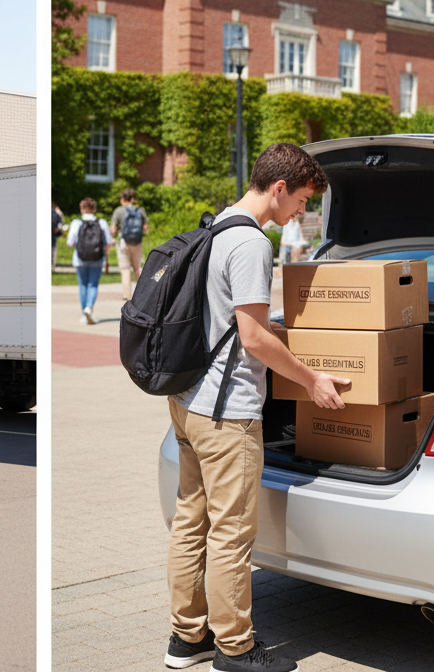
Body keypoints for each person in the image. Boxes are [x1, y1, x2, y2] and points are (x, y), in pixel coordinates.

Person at [164, 143, 350, 672]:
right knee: (231, 534)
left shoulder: (218, 224)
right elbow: (251, 337)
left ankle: (186, 639)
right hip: (228, 413)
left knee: (190, 523)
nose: (302, 214)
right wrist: (311, 378)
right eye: (301, 202)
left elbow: (225, 318)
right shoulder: (250, 242)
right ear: (278, 189)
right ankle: (235, 648)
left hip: (188, 403)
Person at [66, 198, 113, 325]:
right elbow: (109, 242)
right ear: (94, 209)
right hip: (97, 258)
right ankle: (89, 308)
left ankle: (83, 314)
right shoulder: (102, 222)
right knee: (93, 284)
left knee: (82, 285)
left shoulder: (76, 223)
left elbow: (70, 242)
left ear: (81, 209)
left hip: (79, 259)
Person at [110, 188, 149, 301]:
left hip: (123, 243)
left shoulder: (119, 211)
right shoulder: (140, 210)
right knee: (137, 268)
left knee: (125, 269)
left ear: (122, 199)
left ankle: (127, 295)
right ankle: (145, 292)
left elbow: (113, 229)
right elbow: (146, 228)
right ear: (132, 198)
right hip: (137, 242)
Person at [52, 200, 65, 271]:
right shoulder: (58, 212)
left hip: (53, 233)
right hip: (54, 233)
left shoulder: (56, 212)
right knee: (53, 249)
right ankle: (52, 265)